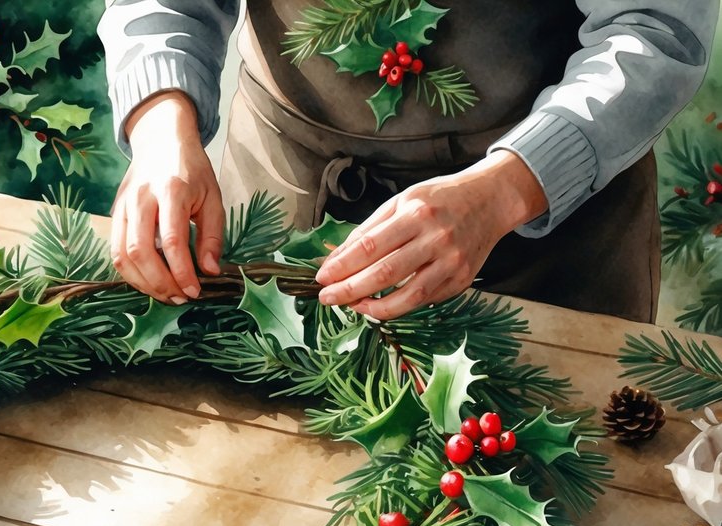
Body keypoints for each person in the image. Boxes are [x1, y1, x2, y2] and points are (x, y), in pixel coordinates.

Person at [97, 0, 717, 322]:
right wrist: (161, 125)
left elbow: (653, 29)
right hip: (280, 195)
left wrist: (507, 188)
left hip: (552, 238)